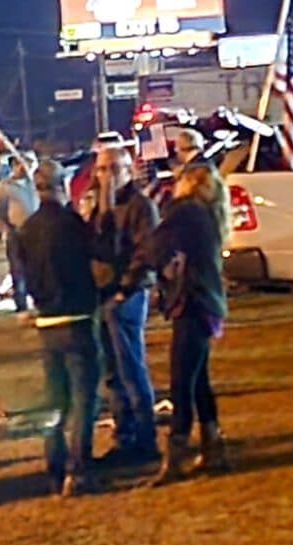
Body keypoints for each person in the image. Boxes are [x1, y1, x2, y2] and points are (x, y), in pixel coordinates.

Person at [17, 159, 100, 497]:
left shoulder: (27, 230)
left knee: (56, 401)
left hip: (46, 321)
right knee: (83, 400)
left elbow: (24, 272)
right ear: (61, 186)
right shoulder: (71, 224)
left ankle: (54, 467)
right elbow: (95, 256)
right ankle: (78, 469)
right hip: (76, 318)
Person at [149, 164, 232, 484]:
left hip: (192, 302)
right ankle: (213, 445)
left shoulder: (183, 212)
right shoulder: (208, 215)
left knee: (181, 380)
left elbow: (156, 244)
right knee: (198, 380)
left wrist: (163, 265)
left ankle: (176, 454)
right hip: (207, 303)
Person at [90, 147, 161, 466]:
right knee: (112, 373)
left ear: (128, 170)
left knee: (131, 368)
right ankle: (124, 437)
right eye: (102, 168)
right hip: (103, 296)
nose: (107, 174)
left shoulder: (140, 206)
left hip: (127, 297)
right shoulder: (100, 209)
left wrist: (124, 289)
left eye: (114, 167)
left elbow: (146, 252)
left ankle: (145, 440)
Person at [0, 154, 38, 312]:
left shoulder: (36, 184)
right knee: (18, 269)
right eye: (21, 162)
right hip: (16, 232)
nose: (25, 166)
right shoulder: (4, 187)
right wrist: (5, 229)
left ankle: (39, 300)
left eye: (29, 162)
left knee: (38, 267)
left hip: (37, 232)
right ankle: (21, 304)